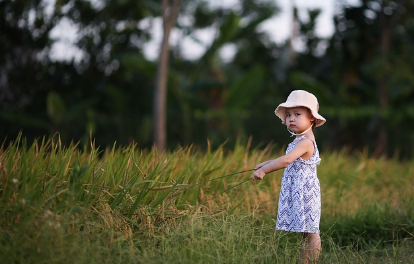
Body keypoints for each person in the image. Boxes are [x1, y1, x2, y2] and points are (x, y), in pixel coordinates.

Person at [252, 90, 326, 264]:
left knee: (311, 232)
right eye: (288, 115)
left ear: (311, 119)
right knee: (305, 232)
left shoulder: (306, 142)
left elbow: (286, 160)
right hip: (298, 191)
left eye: (297, 114)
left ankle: (310, 262)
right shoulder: (299, 140)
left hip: (306, 193)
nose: (291, 118)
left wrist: (264, 171)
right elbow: (287, 160)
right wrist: (266, 163)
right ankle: (305, 260)